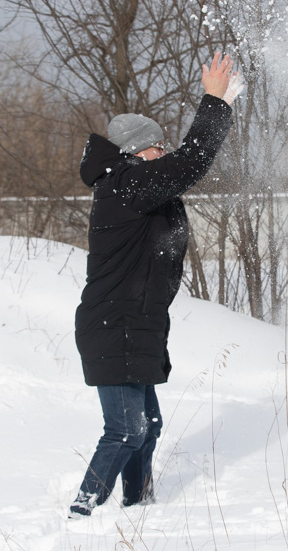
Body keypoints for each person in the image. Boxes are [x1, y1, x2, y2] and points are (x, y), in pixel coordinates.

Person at [68, 52, 242, 518]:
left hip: (133, 325)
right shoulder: (124, 184)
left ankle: (139, 507)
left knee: (148, 425)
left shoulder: (133, 189)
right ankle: (81, 514)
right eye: (157, 146)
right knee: (126, 429)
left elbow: (182, 171)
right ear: (135, 151)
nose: (163, 152)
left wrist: (224, 104)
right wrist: (213, 102)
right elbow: (189, 163)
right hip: (115, 325)